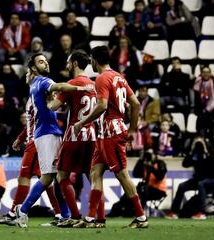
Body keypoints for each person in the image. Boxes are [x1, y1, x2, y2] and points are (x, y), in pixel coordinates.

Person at [73, 46, 148, 228]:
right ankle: (93, 219)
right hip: (106, 133)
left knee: (122, 175)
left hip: (111, 132)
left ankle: (141, 217)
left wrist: (82, 122)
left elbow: (102, 106)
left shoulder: (102, 78)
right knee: (95, 172)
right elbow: (136, 103)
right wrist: (132, 129)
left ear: (94, 60)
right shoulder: (118, 77)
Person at [13, 53, 92, 228]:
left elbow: (50, 106)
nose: (45, 63)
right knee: (49, 176)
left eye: (46, 60)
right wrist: (80, 88)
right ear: (33, 68)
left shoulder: (35, 85)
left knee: (58, 176)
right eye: (41, 61)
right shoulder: (43, 81)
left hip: (50, 131)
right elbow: (60, 86)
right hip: (47, 133)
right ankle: (23, 210)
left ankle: (64, 216)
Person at [0, 69, 62, 226]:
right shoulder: (32, 95)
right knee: (46, 179)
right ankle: (59, 214)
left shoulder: (39, 93)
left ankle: (14, 214)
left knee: (29, 177)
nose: (26, 75)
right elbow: (33, 122)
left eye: (29, 72)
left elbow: (42, 118)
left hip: (36, 141)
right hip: (34, 140)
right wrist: (21, 137)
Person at [47, 50, 105, 227]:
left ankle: (75, 215)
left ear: (73, 64)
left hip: (74, 135)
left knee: (62, 176)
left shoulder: (72, 84)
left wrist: (47, 98)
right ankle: (100, 218)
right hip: (92, 136)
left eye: (68, 61)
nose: (66, 64)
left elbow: (53, 107)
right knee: (94, 178)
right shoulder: (93, 84)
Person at [166, 136, 214, 220]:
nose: (198, 144)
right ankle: (174, 212)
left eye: (200, 142)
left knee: (201, 184)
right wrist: (190, 152)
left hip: (212, 180)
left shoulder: (210, 152)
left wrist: (206, 152)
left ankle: (202, 213)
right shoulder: (194, 154)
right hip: (198, 180)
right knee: (182, 186)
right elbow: (185, 164)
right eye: (196, 142)